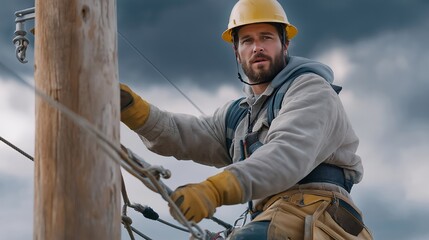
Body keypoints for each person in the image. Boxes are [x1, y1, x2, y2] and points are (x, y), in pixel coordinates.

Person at [120, 0, 373, 239]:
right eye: (247, 41)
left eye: (266, 38)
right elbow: (182, 134)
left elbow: (285, 155)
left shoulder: (312, 91)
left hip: (317, 214)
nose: (257, 47)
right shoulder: (239, 116)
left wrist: (215, 189)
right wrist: (135, 111)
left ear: (285, 44)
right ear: (237, 52)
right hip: (275, 216)